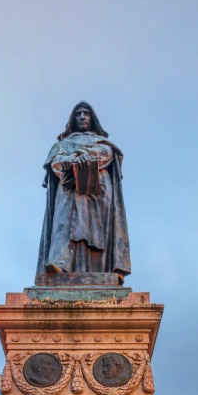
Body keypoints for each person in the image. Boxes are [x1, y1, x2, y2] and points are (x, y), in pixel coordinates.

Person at [36, 102, 131, 280]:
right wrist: (77, 159)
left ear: (92, 118)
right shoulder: (62, 144)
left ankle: (100, 271)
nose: (82, 117)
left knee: (97, 229)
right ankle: (60, 264)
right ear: (72, 120)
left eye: (86, 113)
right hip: (69, 187)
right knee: (63, 223)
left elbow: (107, 154)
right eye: (78, 114)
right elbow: (56, 163)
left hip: (98, 189)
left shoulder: (102, 143)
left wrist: (83, 157)